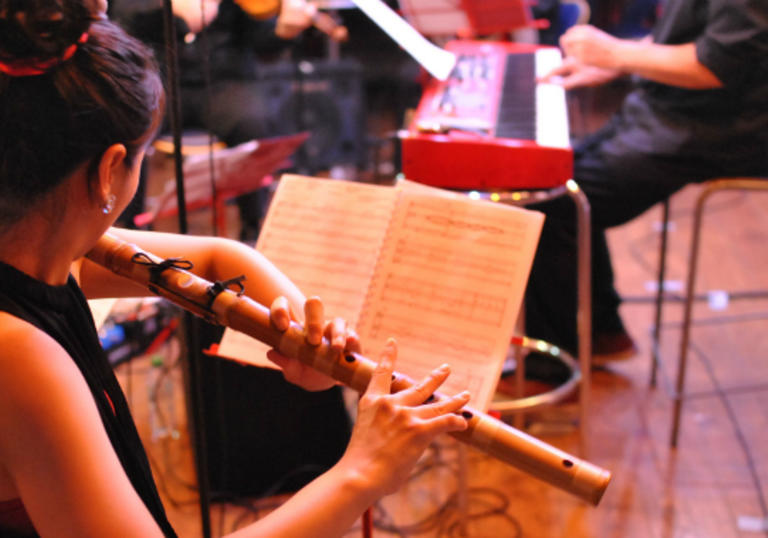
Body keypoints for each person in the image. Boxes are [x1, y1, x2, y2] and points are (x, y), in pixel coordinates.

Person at [0, 2, 471, 536]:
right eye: (140, 156)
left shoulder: (43, 245)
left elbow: (220, 258)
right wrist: (364, 473)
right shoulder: (19, 357)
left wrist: (299, 327)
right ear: (110, 170)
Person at [524, 0, 768, 367]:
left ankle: (554, 370)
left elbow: (716, 63)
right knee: (555, 181)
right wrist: (615, 61)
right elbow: (694, 33)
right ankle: (602, 331)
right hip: (672, 111)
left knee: (550, 201)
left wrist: (617, 53)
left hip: (718, 128)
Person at [110, 0, 339, 241]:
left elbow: (261, 40)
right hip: (159, 78)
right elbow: (124, 19)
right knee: (131, 121)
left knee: (253, 121)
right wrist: (171, 11)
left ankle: (253, 228)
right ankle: (129, 229)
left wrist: (283, 31)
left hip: (224, 81)